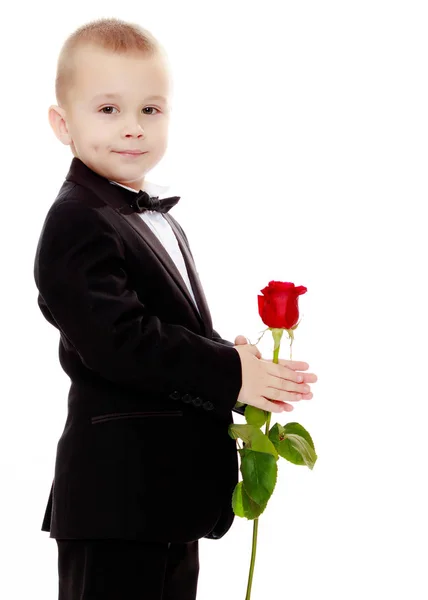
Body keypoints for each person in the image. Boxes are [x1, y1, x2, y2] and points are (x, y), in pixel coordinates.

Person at [34, 17, 317, 600]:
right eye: (108, 110)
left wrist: (229, 355)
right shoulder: (75, 219)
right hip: (117, 498)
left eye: (151, 110)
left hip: (165, 496)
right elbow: (119, 341)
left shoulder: (152, 217)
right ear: (63, 124)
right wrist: (230, 374)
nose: (133, 129)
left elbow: (165, 330)